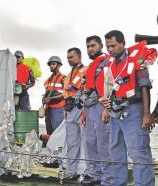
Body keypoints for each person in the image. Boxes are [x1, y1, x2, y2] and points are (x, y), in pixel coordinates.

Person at [98, 30, 157, 186]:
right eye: (107, 46)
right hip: (115, 112)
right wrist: (105, 109)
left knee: (138, 152)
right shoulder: (109, 64)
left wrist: (146, 114)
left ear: (123, 43)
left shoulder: (137, 59)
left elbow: (145, 87)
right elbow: (109, 90)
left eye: (113, 46)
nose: (110, 49)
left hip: (134, 110)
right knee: (115, 152)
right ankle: (119, 183)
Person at [81, 36, 113, 186]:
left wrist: (107, 108)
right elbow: (86, 89)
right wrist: (83, 112)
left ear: (101, 45)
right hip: (89, 108)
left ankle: (108, 178)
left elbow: (111, 86)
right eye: (88, 46)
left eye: (93, 45)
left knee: (103, 143)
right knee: (90, 142)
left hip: (102, 106)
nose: (90, 49)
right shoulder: (90, 66)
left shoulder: (108, 61)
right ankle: (96, 174)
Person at [62, 47, 86, 181]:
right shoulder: (68, 75)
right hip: (70, 109)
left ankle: (92, 173)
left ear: (79, 56)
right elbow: (66, 93)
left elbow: (88, 90)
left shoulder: (86, 70)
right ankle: (72, 172)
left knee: (89, 142)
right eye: (67, 58)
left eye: (71, 57)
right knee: (72, 142)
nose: (69, 60)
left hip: (82, 107)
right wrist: (65, 108)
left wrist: (86, 110)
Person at [43, 56, 66, 135]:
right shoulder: (47, 80)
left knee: (57, 131)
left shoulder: (63, 78)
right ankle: (51, 147)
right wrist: (44, 98)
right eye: (50, 65)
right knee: (49, 130)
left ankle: (58, 147)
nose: (51, 66)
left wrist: (51, 98)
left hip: (58, 108)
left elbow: (66, 94)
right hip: (49, 108)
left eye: (53, 64)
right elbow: (47, 92)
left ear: (59, 65)